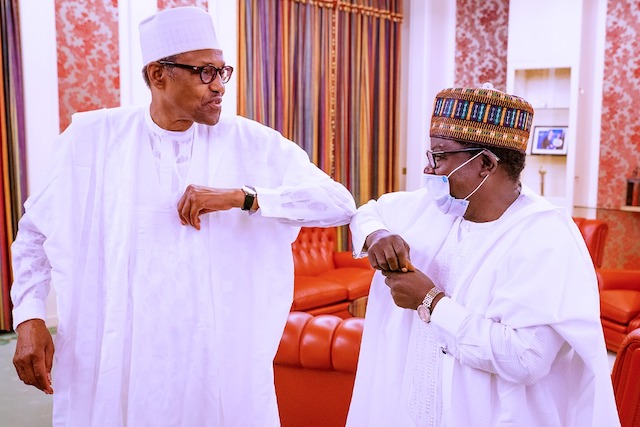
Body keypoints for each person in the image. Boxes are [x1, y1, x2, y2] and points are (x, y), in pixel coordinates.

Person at [10, 6, 355, 426]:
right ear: (159, 75)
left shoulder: (249, 141)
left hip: (214, 360)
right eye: (205, 73)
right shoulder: (92, 140)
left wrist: (242, 197)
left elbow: (338, 202)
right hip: (121, 356)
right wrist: (29, 316)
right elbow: (33, 235)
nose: (220, 87)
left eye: (222, 72)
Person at [346, 85, 620, 426]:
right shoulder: (434, 208)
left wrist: (430, 301)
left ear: (485, 163)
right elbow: (366, 212)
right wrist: (378, 235)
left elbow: (526, 357)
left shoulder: (543, 235)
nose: (429, 169)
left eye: (440, 156)